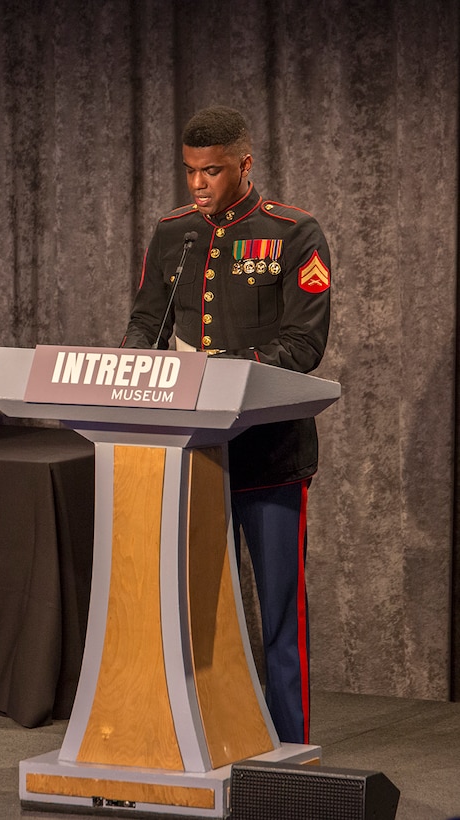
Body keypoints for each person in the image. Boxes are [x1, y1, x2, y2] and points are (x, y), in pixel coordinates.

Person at [121, 105, 332, 745]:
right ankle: (204, 741)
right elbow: (146, 324)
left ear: (244, 165)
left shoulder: (294, 234)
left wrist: (221, 369)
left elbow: (303, 345)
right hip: (192, 456)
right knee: (195, 616)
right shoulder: (172, 234)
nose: (198, 185)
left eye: (211, 172)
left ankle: (291, 752)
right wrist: (127, 366)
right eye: (190, 172)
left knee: (277, 618)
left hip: (270, 455)